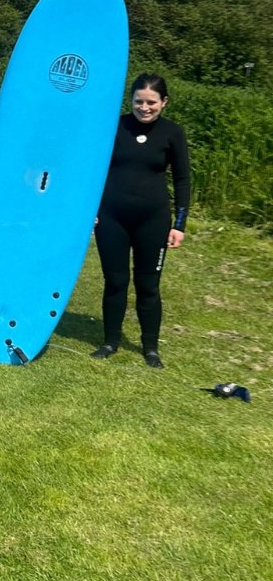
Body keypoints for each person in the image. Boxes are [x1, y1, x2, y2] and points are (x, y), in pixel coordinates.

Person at [92, 73, 190, 369]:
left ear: (164, 102)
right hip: (112, 219)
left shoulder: (172, 133)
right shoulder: (115, 127)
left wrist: (180, 224)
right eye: (138, 101)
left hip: (154, 221)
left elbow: (183, 180)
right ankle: (110, 341)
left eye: (151, 102)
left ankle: (150, 348)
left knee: (148, 285)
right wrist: (90, 209)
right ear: (130, 100)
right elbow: (93, 170)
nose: (144, 108)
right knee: (116, 281)